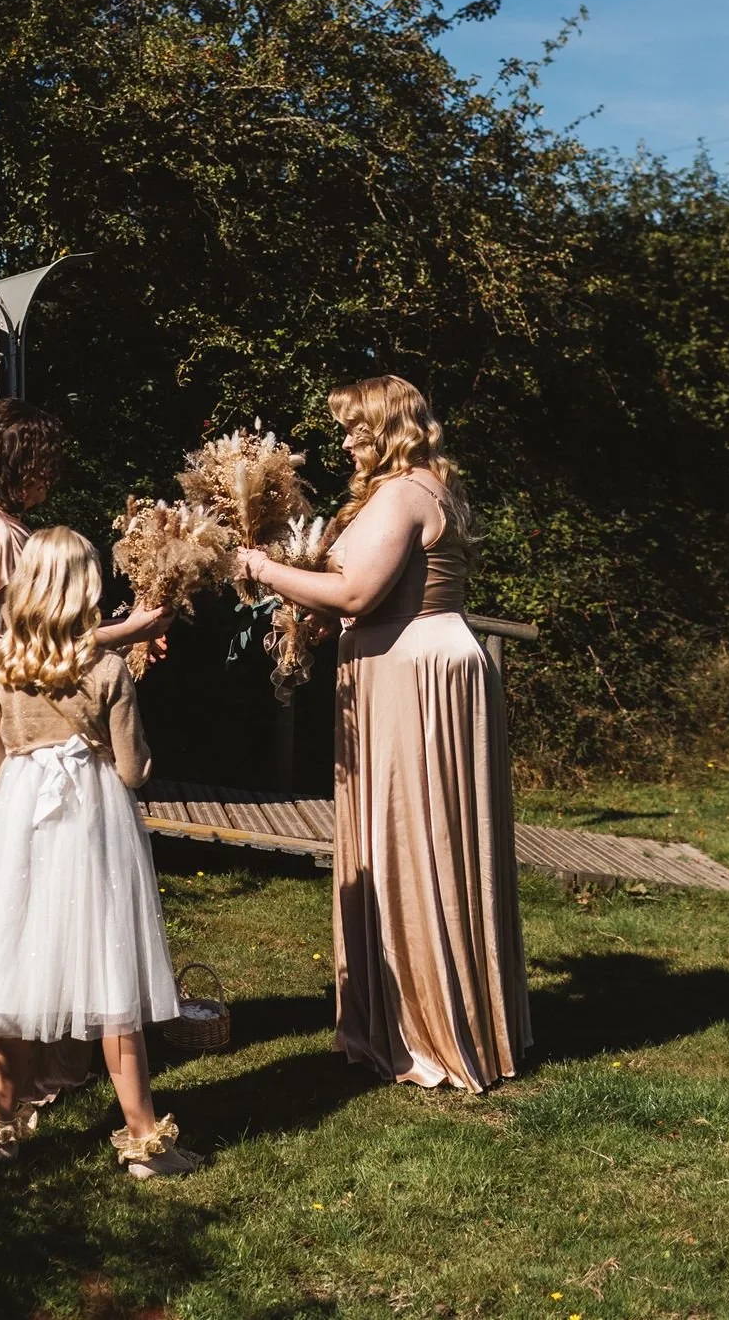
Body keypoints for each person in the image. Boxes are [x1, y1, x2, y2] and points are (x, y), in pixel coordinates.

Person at [236, 376, 531, 1093]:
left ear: (384, 426)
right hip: (423, 661)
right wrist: (321, 617)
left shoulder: (401, 493)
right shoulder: (435, 486)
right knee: (427, 836)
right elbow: (371, 596)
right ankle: (445, 1010)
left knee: (412, 837)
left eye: (351, 428)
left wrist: (264, 569)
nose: (342, 441)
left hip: (411, 673)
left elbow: (361, 593)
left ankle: (425, 1026)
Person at [0, 399, 168, 1100]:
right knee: (1, 869)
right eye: (40, 465)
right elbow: (33, 643)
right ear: (14, 461)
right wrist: (124, 631)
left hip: (18, 696)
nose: (48, 479)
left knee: (15, 872)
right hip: (5, 708)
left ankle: (29, 1033)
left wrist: (123, 634)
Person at [0, 526, 199, 1177]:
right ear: (85, 590)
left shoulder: (4, 667)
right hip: (91, 826)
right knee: (111, 975)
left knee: (16, 972)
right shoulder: (107, 668)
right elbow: (132, 768)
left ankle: (2, 1133)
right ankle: (144, 1138)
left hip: (25, 827)